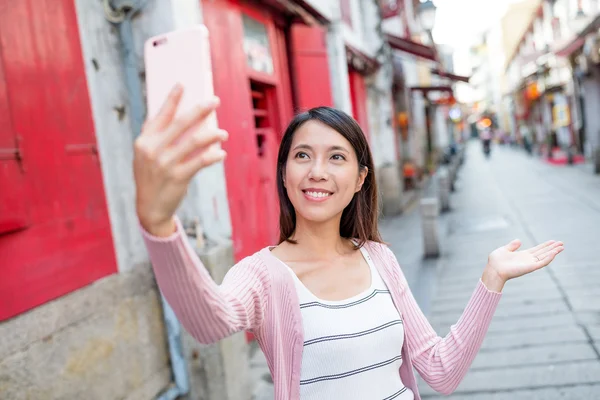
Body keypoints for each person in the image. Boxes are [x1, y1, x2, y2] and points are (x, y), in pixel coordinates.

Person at [134, 86, 564, 400]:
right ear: (284, 173)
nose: (317, 171)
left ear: (360, 179)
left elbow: (441, 370)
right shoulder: (261, 275)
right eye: (302, 155)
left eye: (336, 157)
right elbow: (209, 324)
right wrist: (159, 224)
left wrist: (492, 279)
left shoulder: (379, 258)